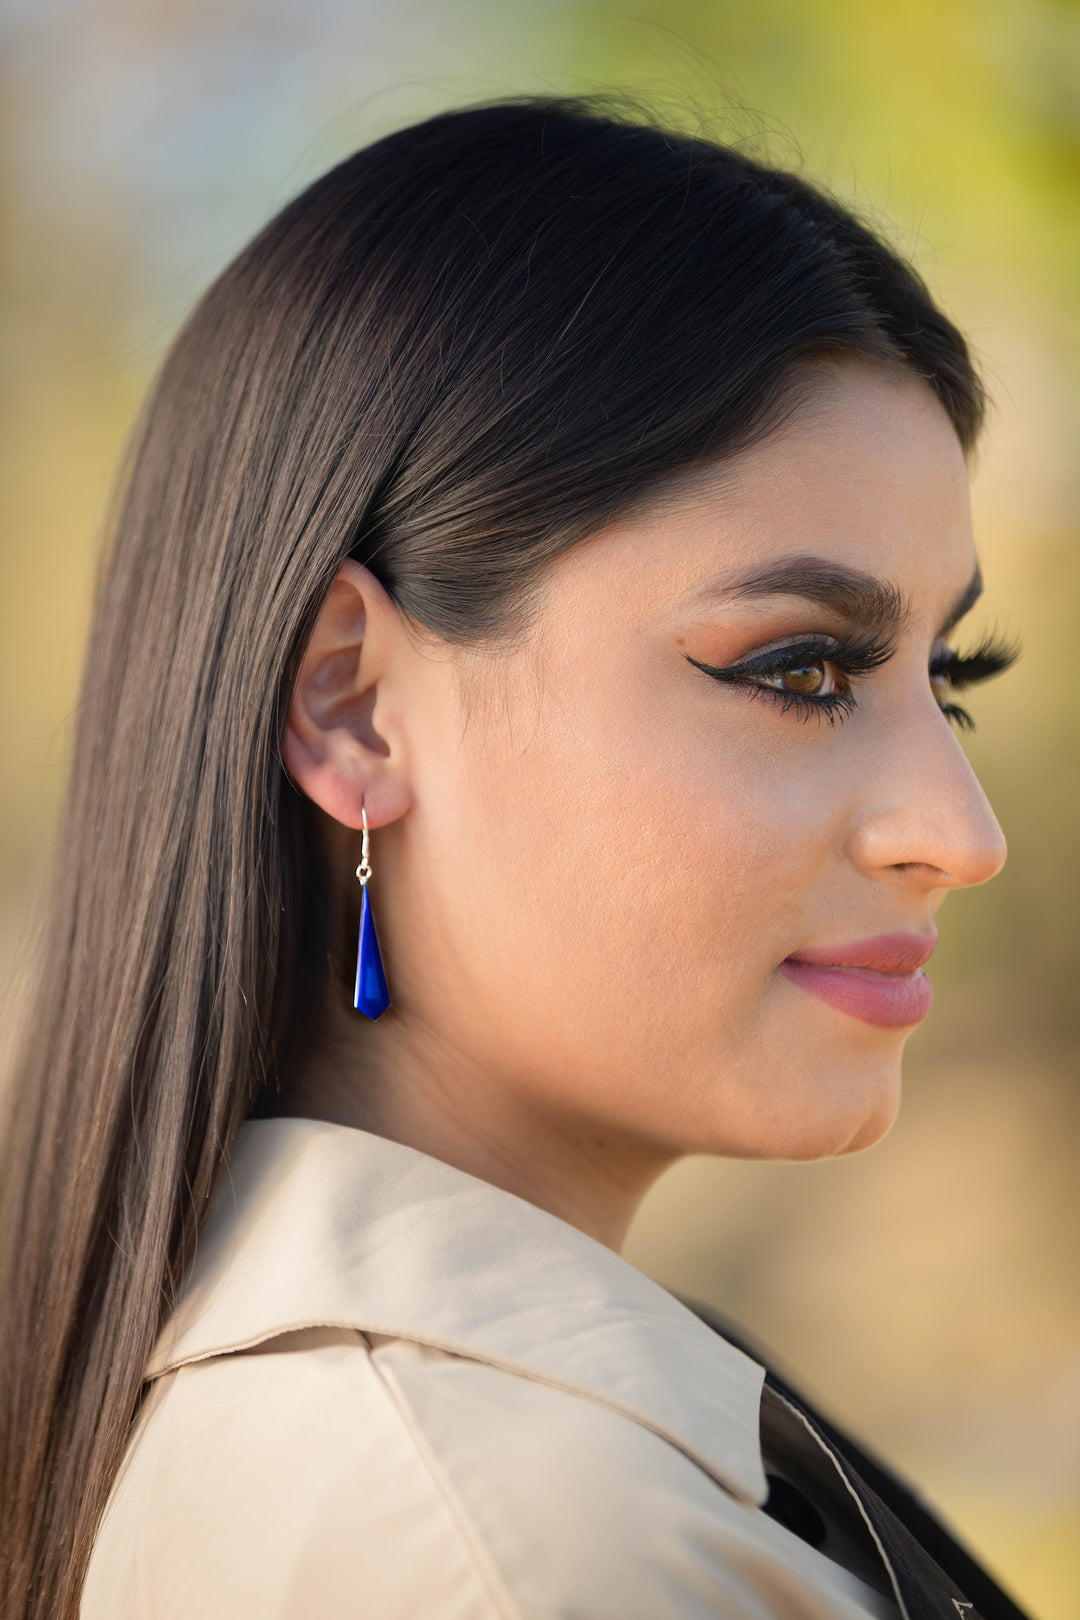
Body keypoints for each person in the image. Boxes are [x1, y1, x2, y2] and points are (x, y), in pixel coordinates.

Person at [0, 98, 1029, 1620]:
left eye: (946, 683)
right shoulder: (521, 1545)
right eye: (803, 669)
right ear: (352, 707)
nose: (961, 836)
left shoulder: (472, 1466)